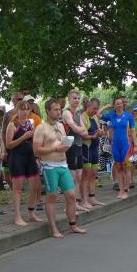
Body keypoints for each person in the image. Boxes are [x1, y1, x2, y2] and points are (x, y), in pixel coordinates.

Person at [33, 99, 87, 238]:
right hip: (49, 166)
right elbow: (36, 150)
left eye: (59, 109)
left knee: (71, 195)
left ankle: (73, 225)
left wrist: (66, 146)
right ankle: (54, 228)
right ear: (48, 111)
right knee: (52, 196)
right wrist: (55, 148)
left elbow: (62, 143)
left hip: (63, 164)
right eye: (55, 109)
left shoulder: (61, 126)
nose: (59, 112)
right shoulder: (41, 128)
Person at [5, 101, 43, 226]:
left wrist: (37, 156)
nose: (25, 112)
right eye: (22, 109)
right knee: (18, 189)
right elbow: (8, 145)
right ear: (17, 110)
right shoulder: (13, 124)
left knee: (34, 185)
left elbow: (33, 141)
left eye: (27, 109)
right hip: (17, 158)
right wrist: (23, 137)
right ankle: (17, 216)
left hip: (30, 157)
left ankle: (31, 213)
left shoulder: (30, 123)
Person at [100, 97, 137, 199]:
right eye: (117, 104)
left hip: (125, 144)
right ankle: (121, 190)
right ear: (114, 105)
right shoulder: (111, 115)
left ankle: (126, 190)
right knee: (119, 168)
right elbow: (98, 114)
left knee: (126, 167)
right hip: (115, 145)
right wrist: (107, 106)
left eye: (121, 103)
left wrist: (135, 145)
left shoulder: (128, 115)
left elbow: (133, 131)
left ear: (123, 105)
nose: (119, 105)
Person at [62, 89, 90, 211]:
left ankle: (76, 203)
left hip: (78, 146)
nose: (77, 100)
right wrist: (80, 129)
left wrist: (80, 129)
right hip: (70, 147)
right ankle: (69, 204)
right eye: (74, 98)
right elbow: (76, 129)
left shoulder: (78, 114)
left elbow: (85, 132)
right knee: (71, 177)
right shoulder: (66, 113)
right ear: (69, 99)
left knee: (78, 176)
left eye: (78, 98)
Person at [80, 98, 104, 206]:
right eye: (94, 108)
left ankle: (92, 198)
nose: (96, 111)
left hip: (94, 148)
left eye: (97, 109)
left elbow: (98, 130)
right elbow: (83, 135)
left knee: (94, 174)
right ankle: (84, 200)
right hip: (86, 148)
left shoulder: (94, 117)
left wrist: (101, 132)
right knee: (85, 175)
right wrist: (95, 135)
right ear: (88, 106)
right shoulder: (82, 117)